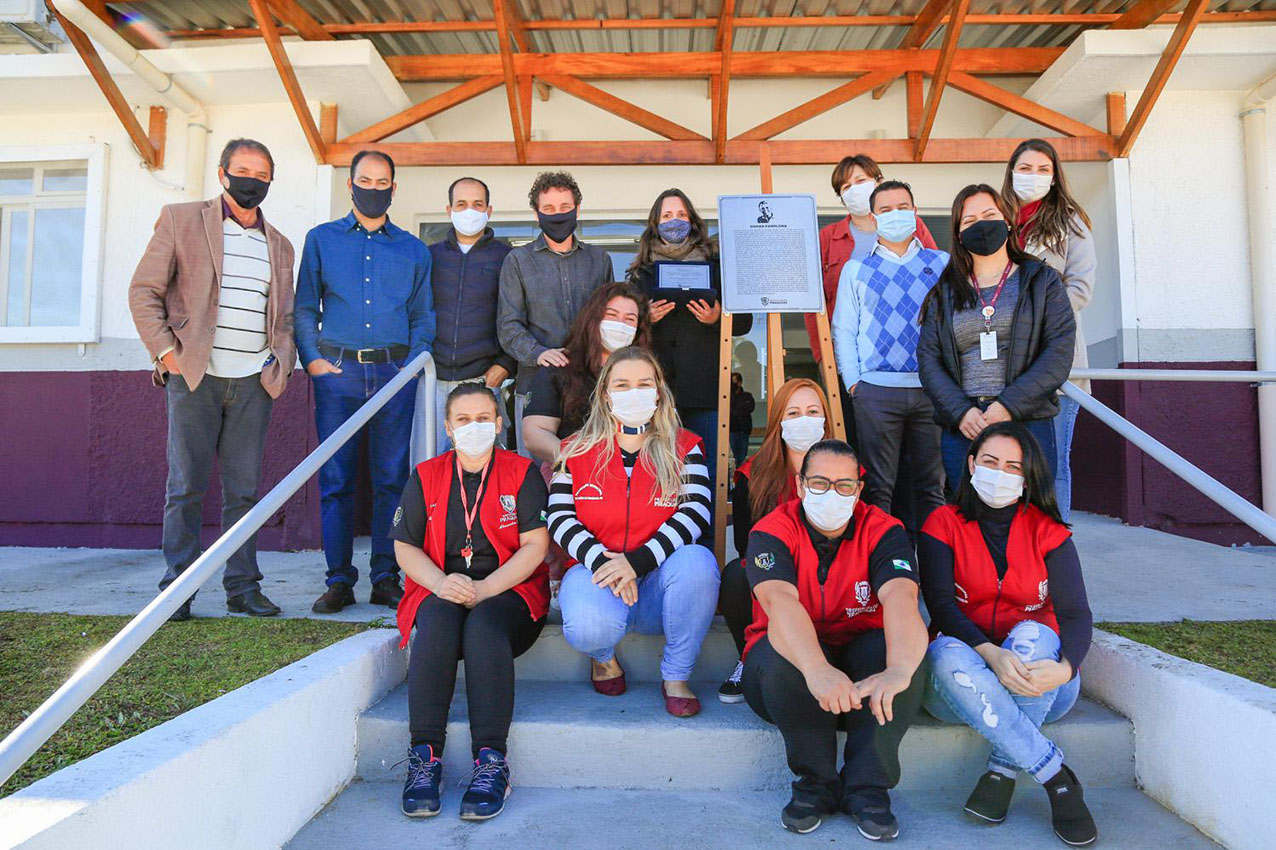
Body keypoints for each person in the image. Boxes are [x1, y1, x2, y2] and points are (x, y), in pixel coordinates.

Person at [128, 138, 295, 621]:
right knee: (186, 487)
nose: (251, 181)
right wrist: (167, 354)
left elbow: (284, 316)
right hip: (194, 378)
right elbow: (144, 291)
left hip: (253, 383)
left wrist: (280, 362)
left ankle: (242, 587)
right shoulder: (181, 219)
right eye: (243, 171)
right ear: (223, 174)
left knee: (244, 492)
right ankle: (177, 590)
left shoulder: (280, 244)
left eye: (261, 175)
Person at [919, 422, 1096, 846]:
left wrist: (1066, 669)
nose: (1000, 473)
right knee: (944, 651)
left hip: (1043, 687)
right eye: (990, 461)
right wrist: (991, 654)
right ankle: (1054, 775)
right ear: (971, 464)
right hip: (959, 687)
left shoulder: (1049, 531)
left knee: (1036, 633)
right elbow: (942, 607)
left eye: (1013, 466)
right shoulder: (942, 523)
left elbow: (1076, 614)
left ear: (1027, 477)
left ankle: (1003, 767)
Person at [741, 439, 927, 838]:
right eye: (820, 482)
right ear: (800, 484)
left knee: (904, 655)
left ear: (859, 490)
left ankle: (868, 788)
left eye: (844, 485)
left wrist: (899, 670)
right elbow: (779, 601)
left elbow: (901, 596)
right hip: (793, 684)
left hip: (861, 679)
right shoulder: (771, 530)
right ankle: (816, 783)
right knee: (780, 656)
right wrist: (816, 669)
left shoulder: (884, 530)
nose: (832, 493)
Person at [391, 384, 550, 822]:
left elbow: (535, 546)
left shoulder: (522, 472)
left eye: (483, 418)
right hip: (442, 587)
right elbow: (405, 547)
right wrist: (441, 583)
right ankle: (424, 758)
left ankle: (491, 762)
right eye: (463, 419)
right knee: (437, 623)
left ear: (499, 424)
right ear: (448, 427)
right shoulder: (426, 475)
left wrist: (486, 588)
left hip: (510, 593)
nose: (474, 427)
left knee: (483, 625)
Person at [295, 150, 435, 615]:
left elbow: (423, 315)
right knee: (336, 479)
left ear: (394, 188)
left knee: (392, 480)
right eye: (365, 181)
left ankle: (384, 577)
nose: (373, 189)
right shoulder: (321, 240)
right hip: (338, 373)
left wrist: (411, 366)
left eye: (382, 182)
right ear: (350, 185)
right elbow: (304, 307)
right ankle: (338, 580)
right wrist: (313, 360)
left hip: (395, 374)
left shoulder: (414, 250)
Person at [548, 347, 719, 717]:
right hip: (598, 576)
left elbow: (695, 512)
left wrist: (637, 562)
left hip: (659, 584)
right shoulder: (574, 450)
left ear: (658, 391)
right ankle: (603, 657)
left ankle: (676, 677)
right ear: (606, 394)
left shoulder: (685, 447)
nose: (634, 392)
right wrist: (606, 564)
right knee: (588, 627)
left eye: (644, 383)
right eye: (622, 385)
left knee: (698, 562)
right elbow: (560, 518)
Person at [918, 184, 1076, 494]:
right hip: (966, 425)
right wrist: (961, 411)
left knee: (1031, 514)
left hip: (1028, 419)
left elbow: (1058, 352)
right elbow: (929, 360)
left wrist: (1008, 405)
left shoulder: (1041, 281)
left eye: (989, 215)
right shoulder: (944, 292)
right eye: (969, 220)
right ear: (958, 234)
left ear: (1007, 221)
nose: (981, 225)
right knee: (968, 515)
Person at [831, 179, 949, 530]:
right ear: (873, 217)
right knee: (879, 488)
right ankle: (886, 562)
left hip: (931, 390)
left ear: (915, 212)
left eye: (902, 207)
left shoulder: (942, 264)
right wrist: (854, 384)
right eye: (885, 210)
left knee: (931, 487)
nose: (895, 214)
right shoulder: (856, 269)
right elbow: (844, 329)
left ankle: (933, 563)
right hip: (876, 391)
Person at [628, 189, 752, 517]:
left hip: (705, 390)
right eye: (667, 216)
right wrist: (645, 319)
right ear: (655, 223)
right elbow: (625, 331)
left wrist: (718, 317)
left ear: (693, 220)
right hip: (656, 393)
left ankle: (707, 541)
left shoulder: (717, 265)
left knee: (706, 471)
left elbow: (745, 321)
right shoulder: (641, 272)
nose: (675, 221)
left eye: (681, 215)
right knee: (656, 470)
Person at [805, 154, 939, 448]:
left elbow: (936, 283)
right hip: (852, 362)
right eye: (846, 187)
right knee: (855, 441)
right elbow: (814, 306)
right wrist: (824, 358)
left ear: (879, 181)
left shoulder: (913, 225)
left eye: (861, 180)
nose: (854, 189)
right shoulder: (828, 237)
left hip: (916, 366)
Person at [717, 378, 832, 703]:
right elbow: (747, 545)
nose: (804, 420)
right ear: (778, 421)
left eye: (813, 412)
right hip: (775, 573)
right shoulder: (752, 475)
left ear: (825, 418)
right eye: (793, 413)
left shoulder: (847, 470)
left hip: (830, 574)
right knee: (737, 575)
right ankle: (748, 657)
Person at [1002, 140, 1097, 523]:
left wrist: (1032, 318)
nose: (1034, 177)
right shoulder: (998, 220)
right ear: (1011, 172)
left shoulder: (1071, 222)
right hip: (1003, 368)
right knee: (1006, 462)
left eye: (1043, 170)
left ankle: (1055, 546)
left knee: (1051, 464)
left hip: (1056, 366)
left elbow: (1080, 290)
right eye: (1025, 168)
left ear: (1055, 177)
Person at [497, 171, 614, 455]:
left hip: (591, 386)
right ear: (536, 214)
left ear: (577, 210)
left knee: (591, 465)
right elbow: (508, 325)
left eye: (565, 207)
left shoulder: (599, 260)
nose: (557, 215)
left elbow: (610, 319)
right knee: (537, 472)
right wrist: (539, 353)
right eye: (548, 209)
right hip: (535, 385)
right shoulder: (517, 261)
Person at [426, 176, 515, 456]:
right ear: (449, 210)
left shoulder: (508, 258)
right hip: (433, 381)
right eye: (461, 204)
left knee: (483, 461)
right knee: (433, 463)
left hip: (484, 381)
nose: (469, 211)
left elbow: (520, 313)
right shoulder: (429, 256)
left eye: (477, 204)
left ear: (489, 211)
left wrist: (506, 364)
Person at [521, 281, 652, 466]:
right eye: (611, 315)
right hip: (570, 470)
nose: (620, 325)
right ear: (593, 318)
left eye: (629, 319)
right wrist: (576, 464)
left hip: (637, 471)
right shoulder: (560, 367)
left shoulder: (647, 373)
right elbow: (535, 434)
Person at [728, 372, 755, 466]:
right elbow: (729, 410)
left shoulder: (747, 396)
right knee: (732, 456)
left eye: (734, 381)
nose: (733, 384)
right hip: (732, 430)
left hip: (744, 430)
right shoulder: (727, 397)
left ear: (739, 382)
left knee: (742, 457)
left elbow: (750, 407)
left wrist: (736, 410)